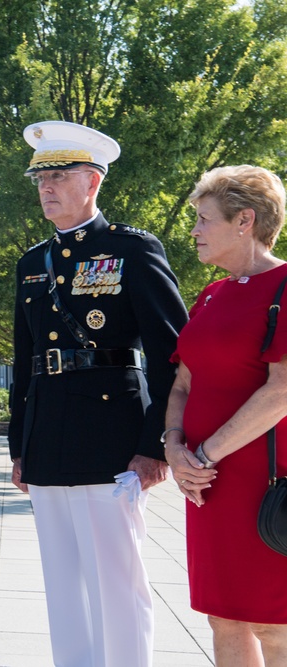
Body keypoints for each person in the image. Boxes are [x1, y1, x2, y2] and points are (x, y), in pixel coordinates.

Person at [7, 120, 188, 667]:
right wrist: (20, 446)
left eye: (59, 176)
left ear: (93, 181)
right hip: (48, 439)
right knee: (62, 585)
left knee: (117, 580)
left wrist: (156, 445)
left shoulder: (131, 250)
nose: (46, 188)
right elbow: (24, 362)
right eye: (40, 178)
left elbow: (172, 356)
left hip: (113, 441)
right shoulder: (32, 263)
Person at [163, 165, 287, 664]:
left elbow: (281, 392)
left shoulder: (284, 287)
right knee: (224, 617)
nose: (193, 230)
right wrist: (173, 447)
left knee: (273, 622)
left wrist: (203, 454)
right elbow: (183, 384)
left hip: (264, 480)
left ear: (245, 221)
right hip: (207, 482)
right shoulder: (210, 295)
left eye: (203, 218)